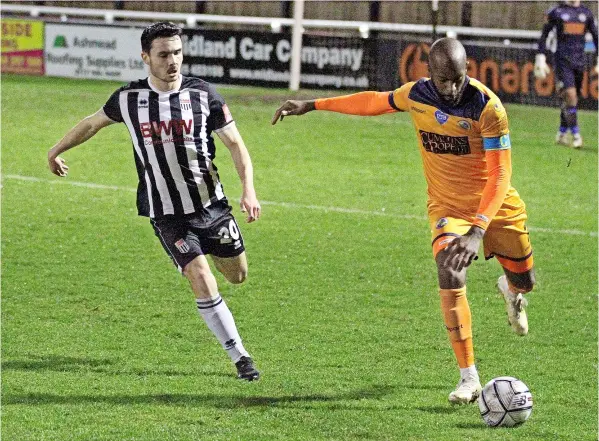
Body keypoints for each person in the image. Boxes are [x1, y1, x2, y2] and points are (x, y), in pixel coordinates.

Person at [272, 38, 536, 404]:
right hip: (447, 208)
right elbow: (373, 101)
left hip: (497, 208)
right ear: (430, 75)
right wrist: (313, 105)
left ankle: (512, 291)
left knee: (526, 280)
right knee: (449, 270)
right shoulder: (416, 95)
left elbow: (499, 175)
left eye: (459, 78)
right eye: (444, 80)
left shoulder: (488, 108)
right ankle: (469, 377)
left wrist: (478, 230)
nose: (453, 87)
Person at [47, 22, 261, 381]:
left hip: (212, 206)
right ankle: (240, 357)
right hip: (165, 213)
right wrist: (56, 150)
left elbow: (236, 145)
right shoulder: (128, 99)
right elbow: (91, 124)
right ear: (146, 57)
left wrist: (248, 189)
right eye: (163, 54)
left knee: (237, 276)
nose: (172, 61)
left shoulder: (204, 95)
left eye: (177, 52)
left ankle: (203, 258)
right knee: (200, 276)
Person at [534, 0, 598, 148]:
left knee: (573, 100)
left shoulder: (586, 14)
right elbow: (544, 35)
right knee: (571, 95)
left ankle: (562, 132)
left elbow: (596, 36)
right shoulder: (556, 12)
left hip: (580, 62)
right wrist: (541, 57)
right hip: (562, 61)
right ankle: (576, 135)